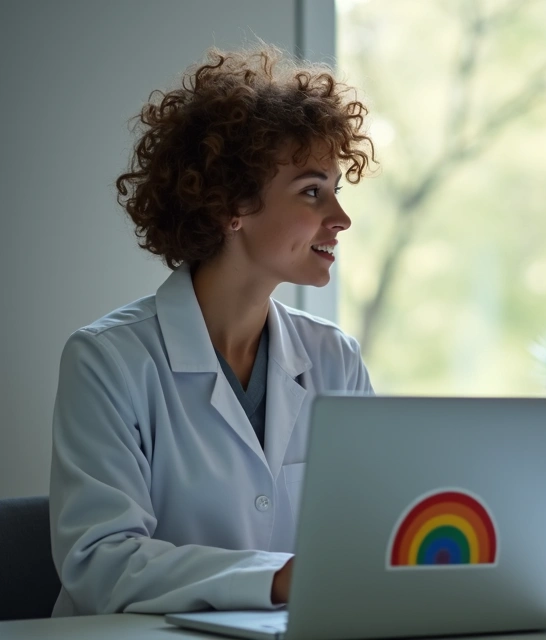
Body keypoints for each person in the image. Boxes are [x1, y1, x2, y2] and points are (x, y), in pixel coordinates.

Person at [49, 46, 375, 616]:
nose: (340, 218)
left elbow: (370, 532)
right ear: (233, 207)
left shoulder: (334, 359)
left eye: (336, 191)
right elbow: (100, 562)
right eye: (311, 191)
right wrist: (275, 580)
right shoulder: (107, 360)